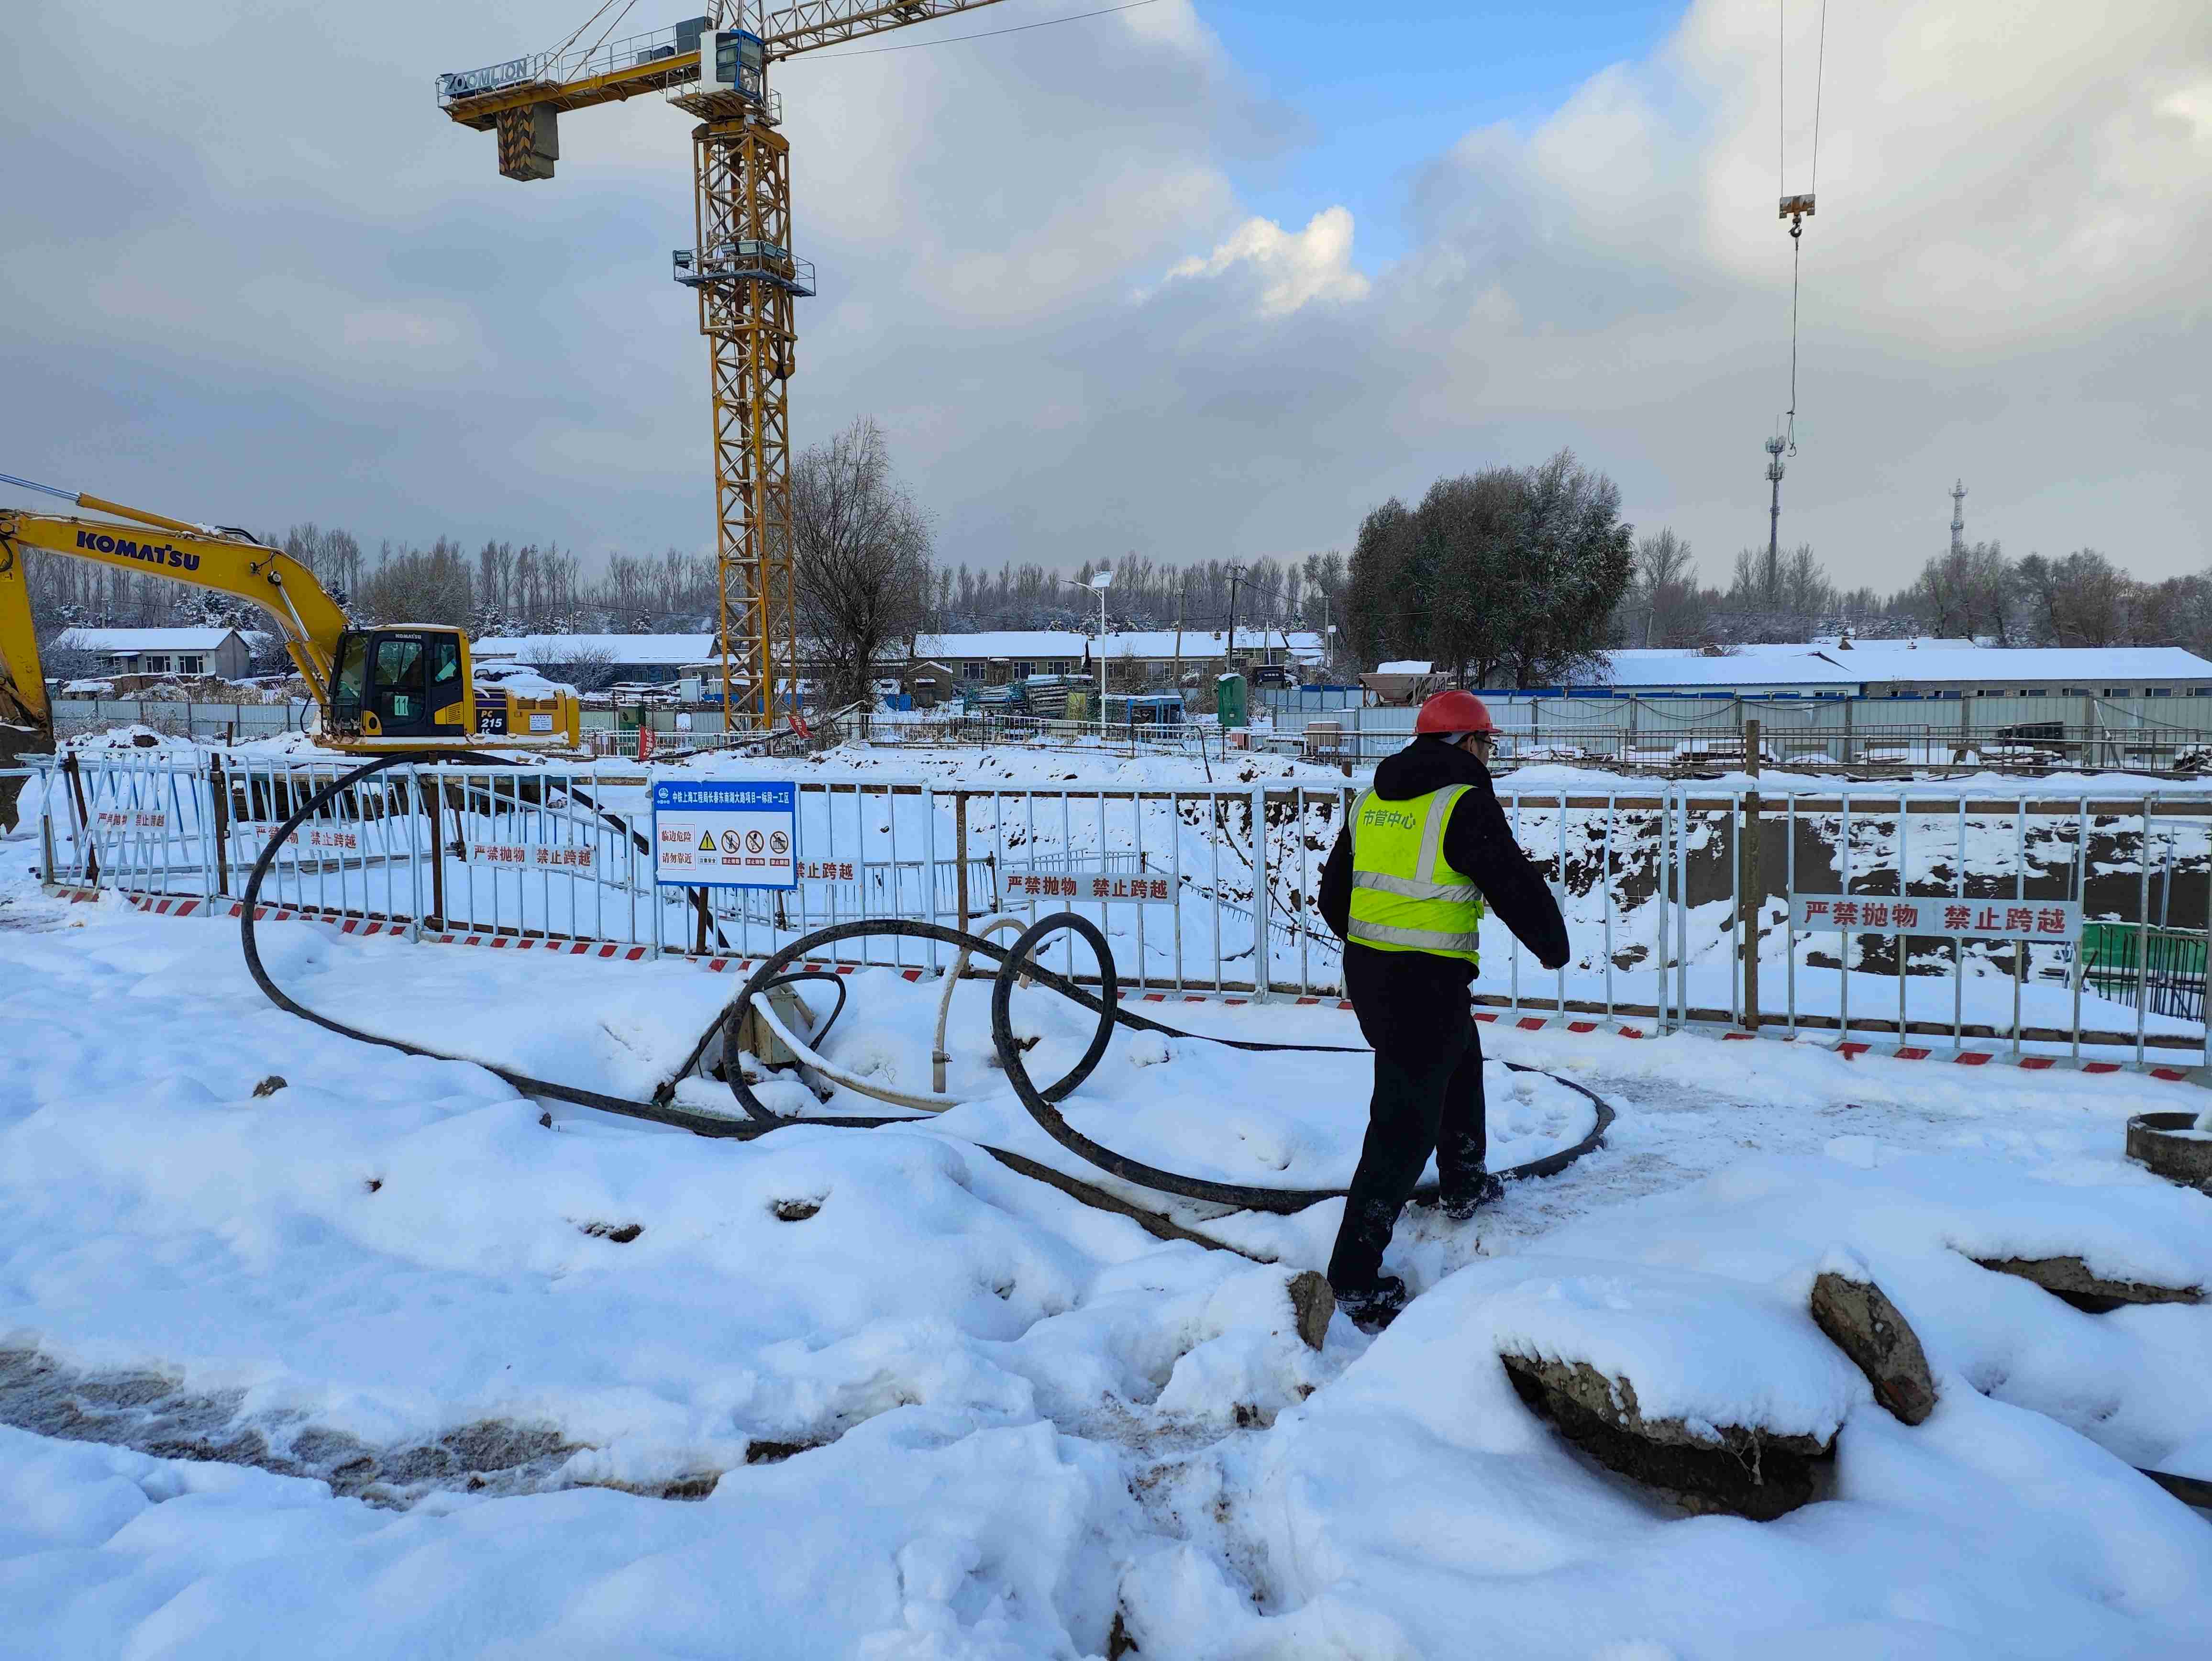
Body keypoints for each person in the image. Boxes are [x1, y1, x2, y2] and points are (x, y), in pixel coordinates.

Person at [1316, 688, 1570, 1330]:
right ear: (1465, 743)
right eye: (1488, 744)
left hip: (1374, 974)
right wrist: (1551, 944)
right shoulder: (1463, 798)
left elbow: (1332, 897)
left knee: (1460, 1059)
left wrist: (1381, 939)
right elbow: (1510, 879)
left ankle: (1464, 1178)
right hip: (1422, 982)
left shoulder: (1372, 800)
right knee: (1402, 1127)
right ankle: (1352, 1278)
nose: (1490, 756)